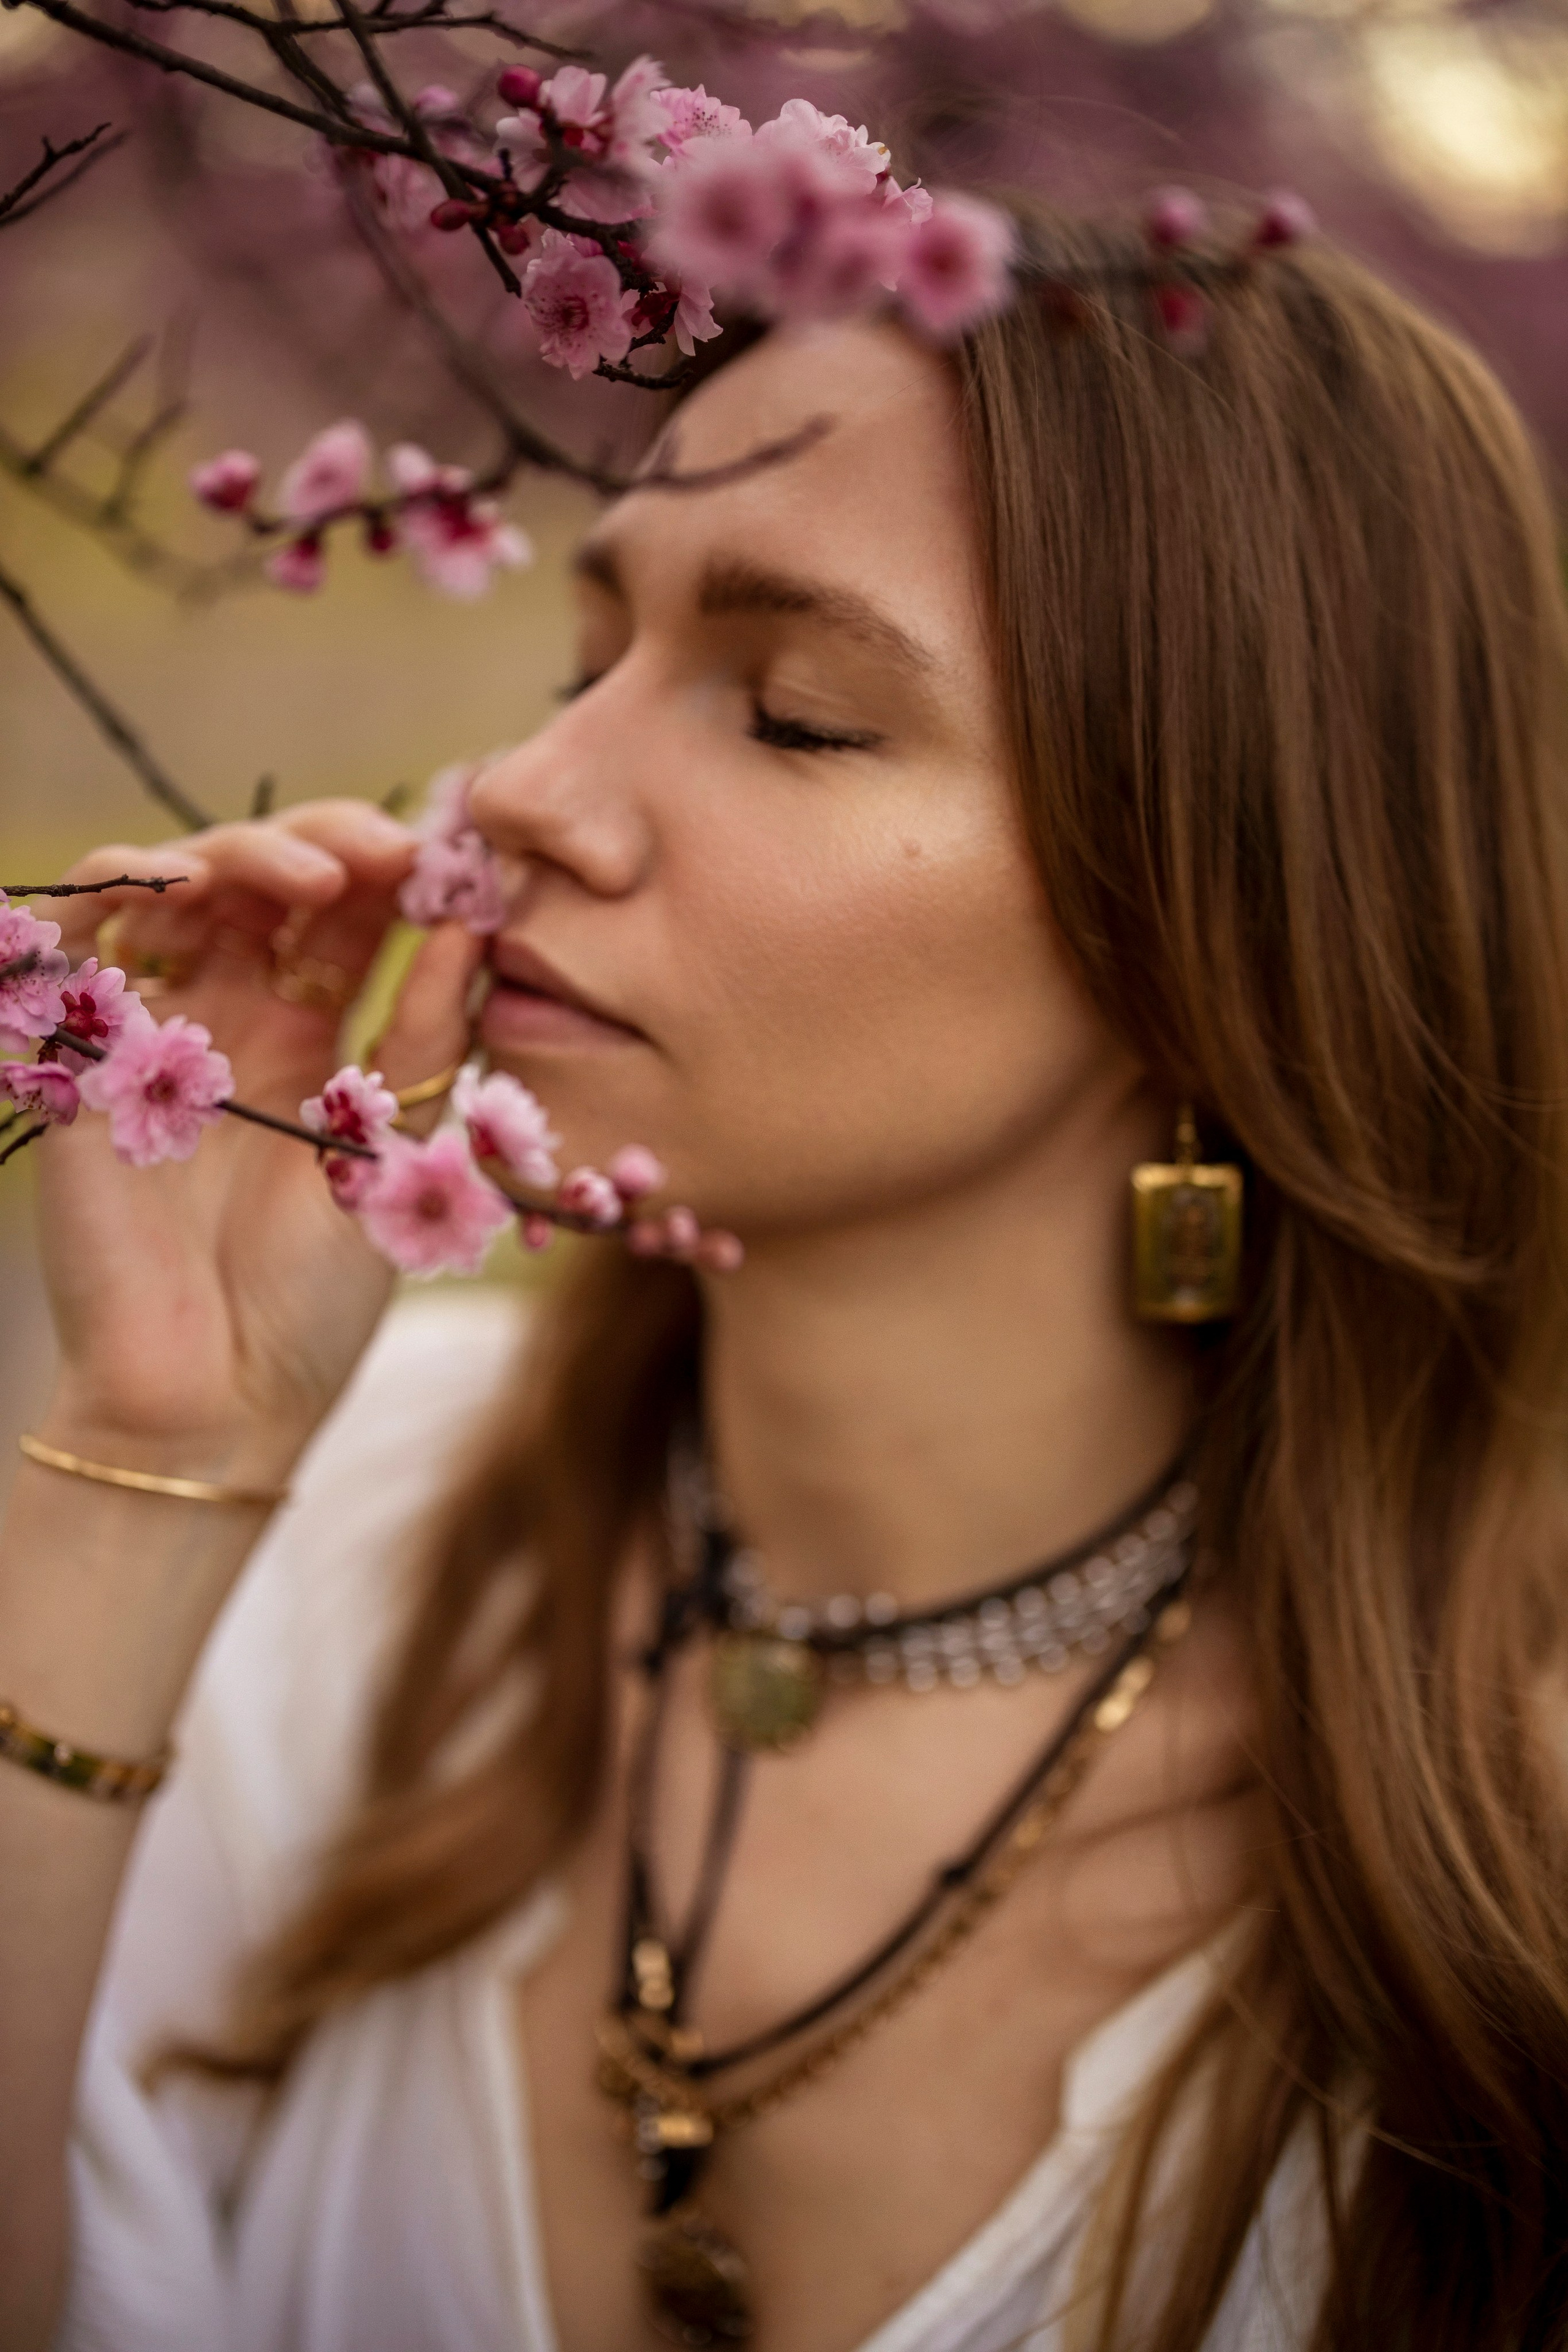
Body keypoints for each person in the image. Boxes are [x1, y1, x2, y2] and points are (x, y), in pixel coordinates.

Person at [2, 208, 1568, 2352]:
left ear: (1227, 920)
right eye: (583, 667)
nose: (524, 792)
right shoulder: (355, 1537)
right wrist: (146, 1460)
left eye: (802, 716)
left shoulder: (1504, 1889)